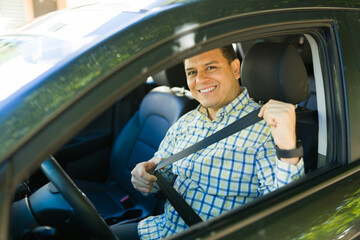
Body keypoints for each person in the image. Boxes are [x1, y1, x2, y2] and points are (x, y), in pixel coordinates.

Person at [111, 45, 304, 239]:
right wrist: (146, 178)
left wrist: (287, 146)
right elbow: (162, 176)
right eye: (192, 72)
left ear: (235, 69)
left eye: (211, 67)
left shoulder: (268, 127)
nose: (200, 79)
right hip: (160, 229)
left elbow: (285, 212)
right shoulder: (185, 122)